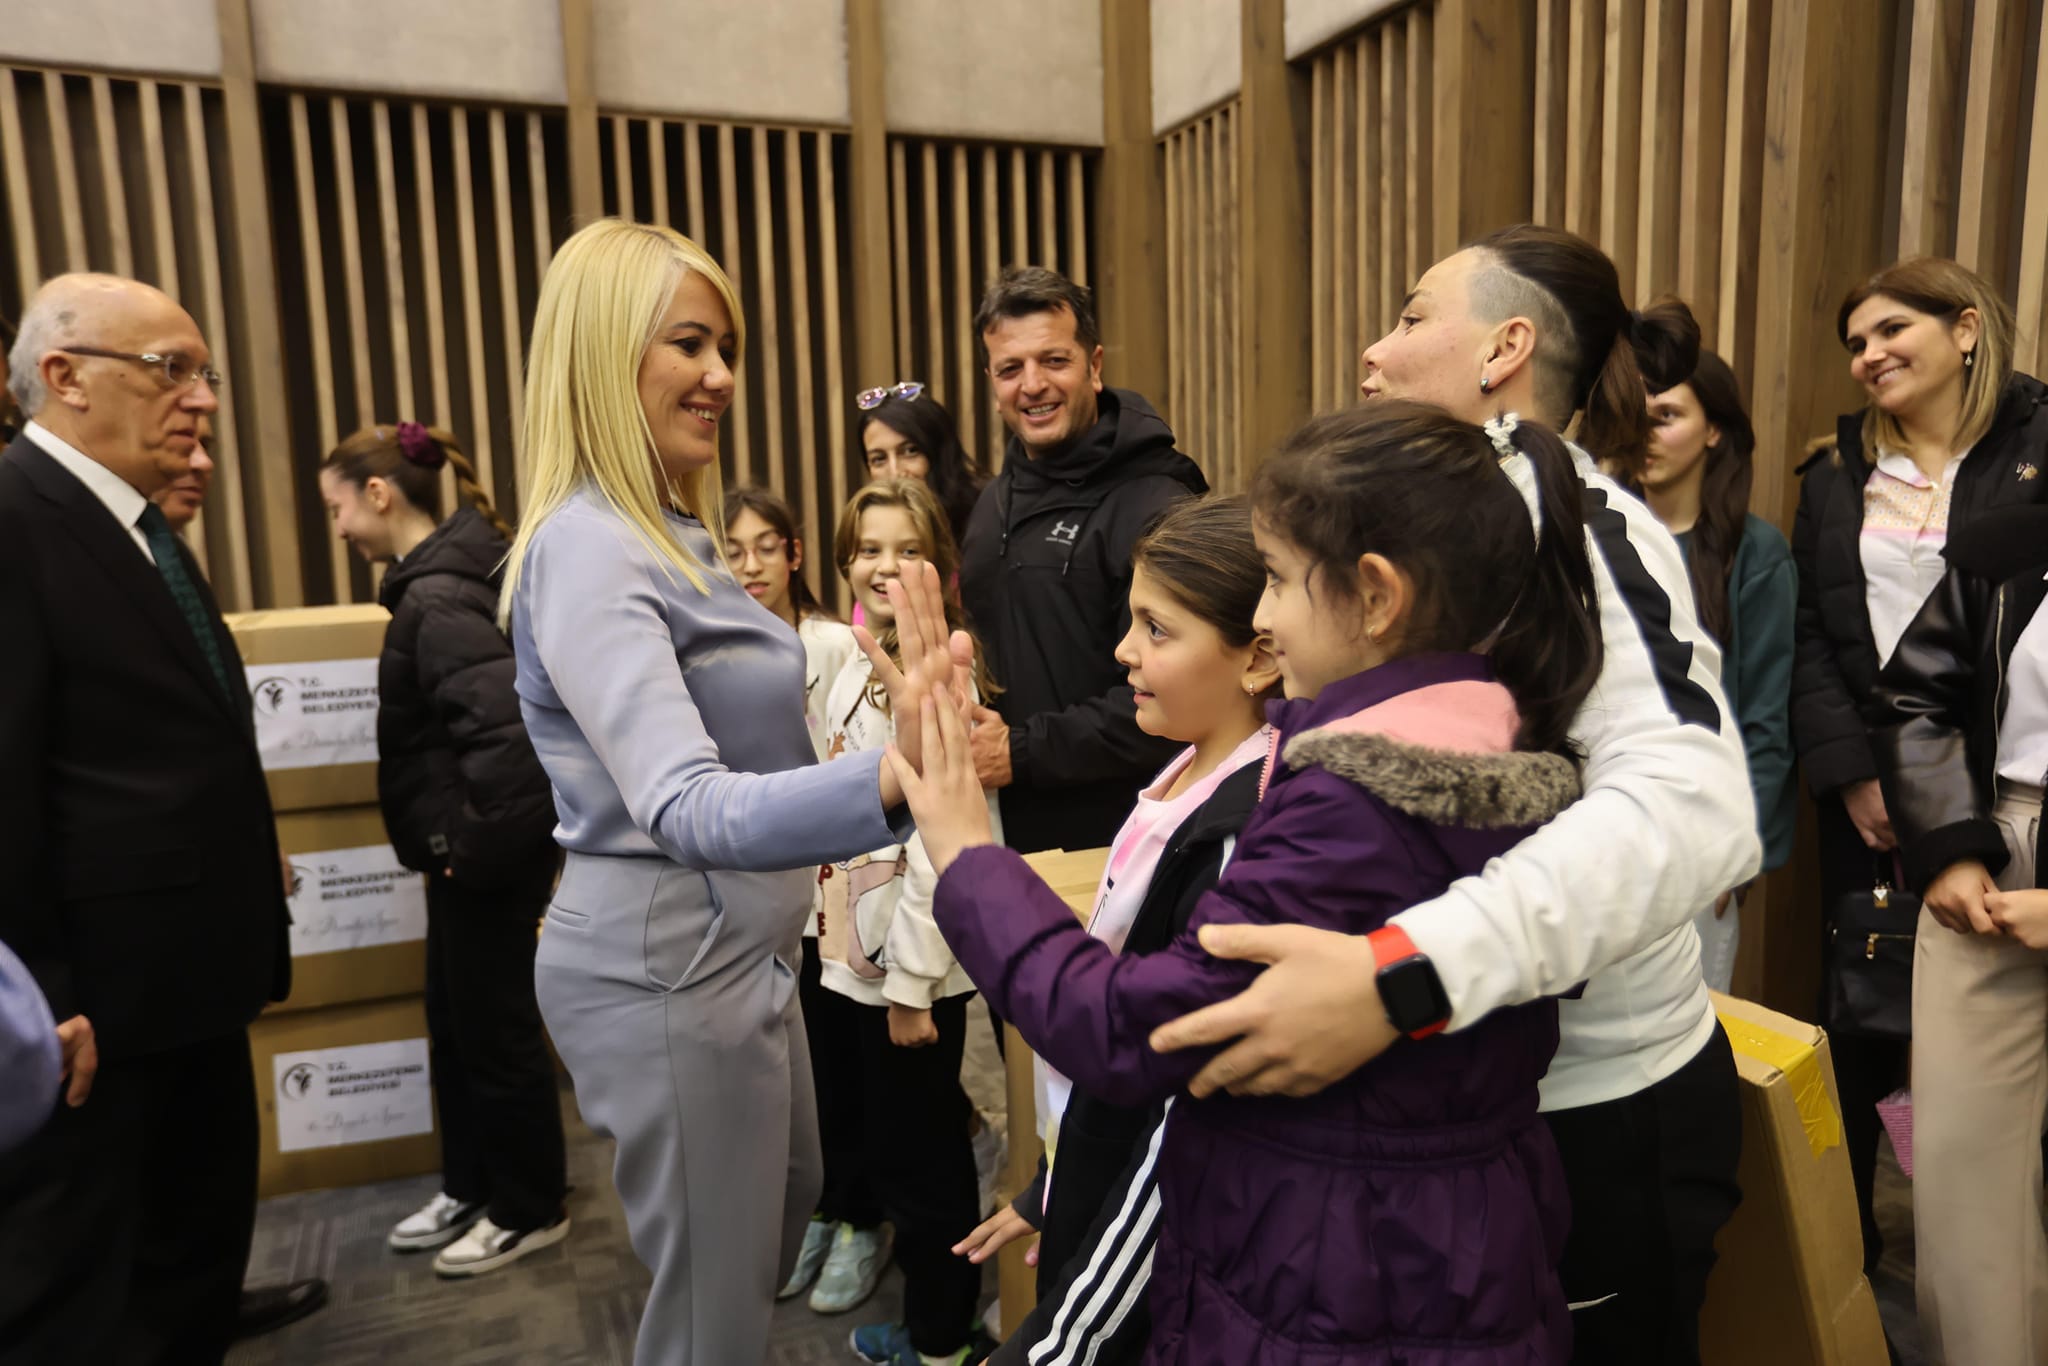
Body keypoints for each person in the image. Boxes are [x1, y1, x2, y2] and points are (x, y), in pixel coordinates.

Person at [1141, 226, 1761, 1366]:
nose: (1372, 352)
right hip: (1444, 1106)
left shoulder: (1579, 524)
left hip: (1591, 1115)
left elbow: (1696, 807)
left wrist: (1401, 974)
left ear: (1504, 347)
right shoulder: (1438, 526)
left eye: (1412, 315)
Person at [897, 401, 1600, 1363]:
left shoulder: (1350, 809)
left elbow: (1135, 1030)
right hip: (1434, 1248)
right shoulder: (1488, 747)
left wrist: (969, 855)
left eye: (1275, 580)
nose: (1264, 616)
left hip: (1343, 1268)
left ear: (1377, 597)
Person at [500, 218, 969, 1366]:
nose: (721, 376)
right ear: (606, 354)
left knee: (763, 1233)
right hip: (668, 959)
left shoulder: (674, 530)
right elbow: (688, 806)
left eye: (727, 347)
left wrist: (908, 730)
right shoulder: (591, 547)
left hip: (739, 953)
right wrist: (898, 777)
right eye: (690, 344)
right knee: (710, 1320)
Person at [0, 273, 292, 1363]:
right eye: (170, 369)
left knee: (187, 1252)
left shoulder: (129, 524)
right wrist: (41, 999)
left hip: (181, 987)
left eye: (203, 374)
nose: (202, 399)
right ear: (64, 378)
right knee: (85, 1291)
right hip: (92, 1016)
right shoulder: (17, 517)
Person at [961, 495, 1279, 1366]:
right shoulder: (1183, 767)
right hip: (1095, 1166)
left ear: (1256, 657)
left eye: (1157, 629)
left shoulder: (1236, 831)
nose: (1122, 652)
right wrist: (1054, 1186)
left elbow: (1174, 1128)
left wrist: (1056, 1345)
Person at [1793, 257, 2046, 1285]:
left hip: (2003, 769)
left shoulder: (2033, 448)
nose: (1869, 355)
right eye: (1854, 342)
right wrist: (1855, 773)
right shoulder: (1838, 469)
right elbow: (1813, 634)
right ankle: (1862, 1273)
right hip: (1875, 782)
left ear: (1967, 329)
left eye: (1891, 328)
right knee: (1866, 1021)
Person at [317, 421, 571, 1275]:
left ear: (380, 495)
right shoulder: (434, 583)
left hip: (484, 863)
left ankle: (531, 1206)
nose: (340, 527)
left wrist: (467, 851)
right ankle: (472, 1181)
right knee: (457, 1026)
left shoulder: (437, 598)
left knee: (494, 1034)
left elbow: (506, 747)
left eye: (339, 507)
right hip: (463, 858)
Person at [808, 479, 1001, 1366]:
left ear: (940, 564)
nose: (885, 565)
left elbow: (940, 850)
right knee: (890, 1150)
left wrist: (915, 986)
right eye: (868, 547)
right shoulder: (851, 656)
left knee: (926, 1170)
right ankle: (934, 1322)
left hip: (909, 972)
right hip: (854, 955)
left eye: (906, 547)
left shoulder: (935, 676)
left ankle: (941, 1341)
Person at [150, 439, 333, 1342]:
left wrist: (255, 847)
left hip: (204, 930)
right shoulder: (39, 535)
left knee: (209, 1156)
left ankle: (208, 1298)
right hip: (127, 949)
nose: (206, 436)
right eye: (171, 377)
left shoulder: (159, 548)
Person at [959, 267, 1206, 856]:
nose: (1032, 385)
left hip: (1123, 842)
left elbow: (1187, 692)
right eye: (1010, 369)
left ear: (1094, 366)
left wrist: (1020, 751)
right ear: (991, 382)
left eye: (1054, 361)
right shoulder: (993, 501)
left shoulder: (1159, 502)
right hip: (1002, 833)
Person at [1636, 349, 1797, 990]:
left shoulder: (1754, 554)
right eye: (1637, 416)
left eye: (1667, 415)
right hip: (1600, 826)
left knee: (1691, 1029)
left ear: (1714, 430)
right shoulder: (1601, 533)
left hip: (1699, 840)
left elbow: (1765, 718)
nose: (1646, 433)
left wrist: (1739, 849)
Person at [724, 484, 856, 763]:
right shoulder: (716, 657)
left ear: (794, 554)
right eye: (733, 554)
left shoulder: (837, 643)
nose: (751, 567)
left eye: (767, 548)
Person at [855, 381, 985, 544]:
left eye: (910, 451)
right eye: (879, 459)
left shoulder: (987, 517)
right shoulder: (865, 529)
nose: (895, 472)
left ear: (940, 453)